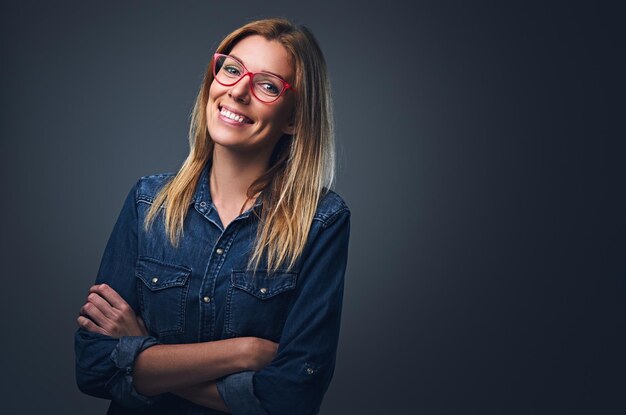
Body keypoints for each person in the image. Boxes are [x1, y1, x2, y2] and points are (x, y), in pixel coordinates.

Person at [74, 17, 350, 415]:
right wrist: (245, 352)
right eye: (232, 69)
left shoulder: (321, 222)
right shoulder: (147, 203)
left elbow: (290, 399)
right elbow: (94, 368)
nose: (238, 91)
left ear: (293, 118)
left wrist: (145, 357)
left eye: (268, 85)